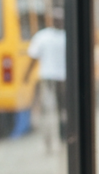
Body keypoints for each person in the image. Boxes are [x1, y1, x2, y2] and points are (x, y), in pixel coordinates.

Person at [24, 10, 67, 147]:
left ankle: (62, 137)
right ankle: (51, 140)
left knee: (61, 110)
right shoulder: (44, 36)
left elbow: (33, 58)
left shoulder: (62, 36)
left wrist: (26, 76)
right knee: (50, 110)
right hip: (50, 78)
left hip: (61, 79)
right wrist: (26, 76)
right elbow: (33, 58)